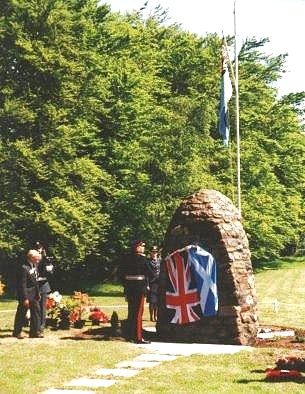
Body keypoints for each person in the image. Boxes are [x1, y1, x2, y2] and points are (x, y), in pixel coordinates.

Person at [120, 240, 151, 344]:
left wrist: (126, 285)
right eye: (142, 246)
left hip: (129, 288)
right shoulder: (143, 259)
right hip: (139, 288)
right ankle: (138, 337)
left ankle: (129, 335)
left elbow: (120, 274)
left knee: (131, 312)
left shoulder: (125, 259)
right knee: (138, 313)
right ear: (137, 247)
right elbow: (150, 273)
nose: (143, 248)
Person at [12, 249, 43, 339]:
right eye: (37, 257)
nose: (38, 259)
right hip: (26, 294)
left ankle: (34, 332)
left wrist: (38, 293)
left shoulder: (34, 266)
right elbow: (22, 284)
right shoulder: (24, 268)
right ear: (31, 257)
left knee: (36, 312)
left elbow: (35, 282)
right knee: (21, 313)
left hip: (34, 294)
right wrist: (25, 298)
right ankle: (17, 332)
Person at [34, 241, 54, 332]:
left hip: (43, 285)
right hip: (33, 286)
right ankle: (34, 325)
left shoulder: (45, 260)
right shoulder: (32, 259)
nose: (39, 250)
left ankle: (41, 327)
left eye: (40, 248)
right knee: (34, 307)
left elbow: (51, 273)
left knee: (42, 308)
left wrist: (49, 268)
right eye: (37, 248)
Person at [146, 246, 161, 322]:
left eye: (155, 252)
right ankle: (151, 316)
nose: (154, 253)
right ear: (150, 252)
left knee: (157, 301)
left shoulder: (160, 260)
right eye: (153, 252)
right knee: (152, 301)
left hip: (159, 283)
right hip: (151, 283)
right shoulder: (147, 261)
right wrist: (147, 284)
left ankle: (156, 315)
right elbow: (146, 274)